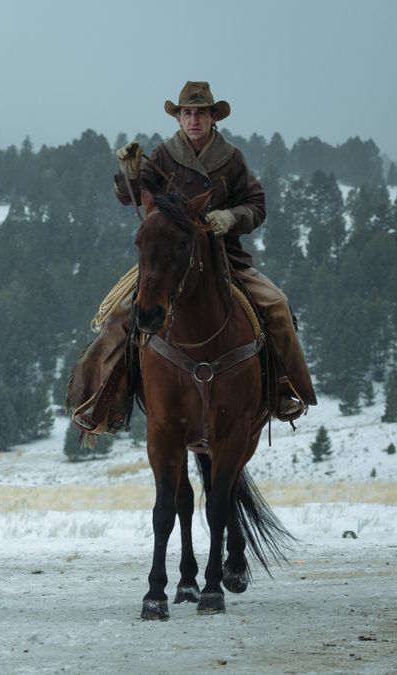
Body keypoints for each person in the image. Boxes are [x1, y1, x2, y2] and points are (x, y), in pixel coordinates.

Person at [68, 81, 316, 435]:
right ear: (179, 118)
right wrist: (129, 173)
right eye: (187, 113)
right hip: (170, 261)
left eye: (200, 112)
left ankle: (284, 389)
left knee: (276, 305)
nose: (194, 119)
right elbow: (133, 195)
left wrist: (231, 218)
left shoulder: (232, 159)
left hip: (225, 259)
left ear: (214, 117)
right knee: (120, 318)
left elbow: (256, 205)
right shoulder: (163, 155)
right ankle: (106, 399)